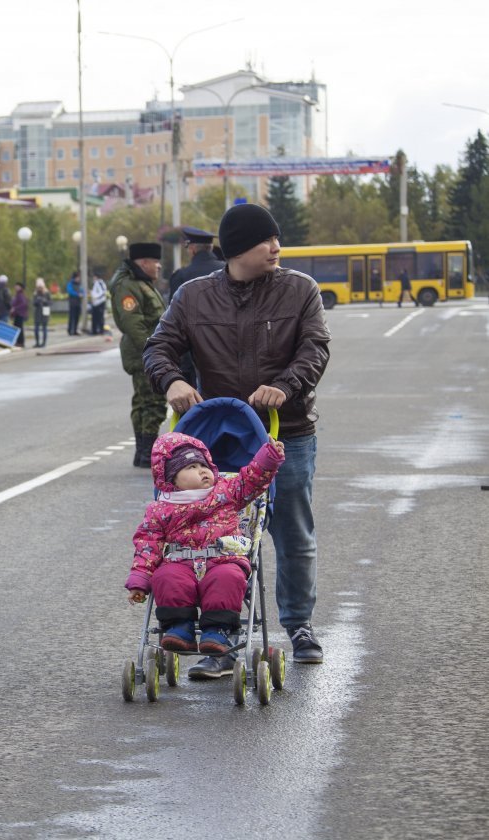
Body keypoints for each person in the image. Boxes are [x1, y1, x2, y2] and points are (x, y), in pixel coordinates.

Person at [144, 202, 331, 676]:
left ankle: (299, 624)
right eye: (267, 240)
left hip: (285, 432)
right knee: (222, 539)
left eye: (276, 238)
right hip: (218, 439)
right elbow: (159, 346)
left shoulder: (299, 290)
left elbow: (315, 348)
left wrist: (285, 387)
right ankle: (222, 638)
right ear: (240, 248)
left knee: (292, 533)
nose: (276, 247)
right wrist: (171, 381)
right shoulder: (193, 297)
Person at [126, 432, 285, 652]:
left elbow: (252, 479)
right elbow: (147, 545)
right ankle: (179, 627)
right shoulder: (161, 509)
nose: (201, 471)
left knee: (228, 578)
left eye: (204, 465)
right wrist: (140, 580)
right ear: (172, 478)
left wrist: (269, 456)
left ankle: (217, 630)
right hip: (180, 562)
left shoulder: (227, 491)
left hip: (223, 559)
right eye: (190, 468)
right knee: (165, 577)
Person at [110, 241, 166, 468]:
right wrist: (152, 352)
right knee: (152, 402)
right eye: (155, 262)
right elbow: (134, 324)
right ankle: (147, 452)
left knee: (145, 401)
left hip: (146, 351)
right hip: (143, 352)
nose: (159, 267)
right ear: (143, 262)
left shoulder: (141, 283)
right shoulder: (128, 285)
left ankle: (144, 453)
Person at [164, 227, 224, 388]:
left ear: (191, 249)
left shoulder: (182, 276)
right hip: (228, 351)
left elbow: (175, 320)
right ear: (210, 248)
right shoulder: (228, 269)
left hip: (193, 355)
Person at [32, 277, 52, 347]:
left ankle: (44, 343)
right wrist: (37, 301)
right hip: (37, 311)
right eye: (38, 287)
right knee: (36, 328)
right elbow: (33, 303)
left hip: (45, 310)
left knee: (44, 327)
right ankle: (37, 342)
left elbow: (50, 302)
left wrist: (44, 301)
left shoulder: (47, 293)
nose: (39, 288)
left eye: (41, 287)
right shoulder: (35, 293)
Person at [10, 281, 29, 347]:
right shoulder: (18, 294)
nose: (16, 287)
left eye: (17, 286)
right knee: (17, 328)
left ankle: (21, 342)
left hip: (20, 314)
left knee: (19, 328)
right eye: (15, 286)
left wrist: (15, 308)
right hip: (17, 314)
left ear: (20, 287)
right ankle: (18, 341)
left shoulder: (20, 295)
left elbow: (24, 304)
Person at [66, 270, 83, 335]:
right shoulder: (70, 283)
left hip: (78, 303)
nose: (79, 279)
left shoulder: (79, 284)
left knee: (77, 317)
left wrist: (82, 294)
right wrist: (77, 294)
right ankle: (70, 330)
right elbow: (70, 291)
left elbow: (82, 290)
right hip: (72, 302)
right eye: (78, 277)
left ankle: (75, 330)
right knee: (71, 317)